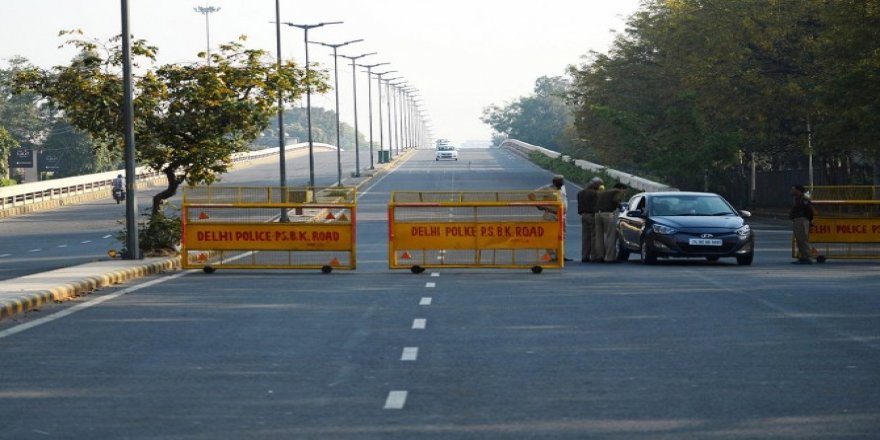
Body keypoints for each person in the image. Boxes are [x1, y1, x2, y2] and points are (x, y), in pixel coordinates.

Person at [538, 175, 571, 262]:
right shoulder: (547, 189)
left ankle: (560, 255)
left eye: (562, 180)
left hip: (562, 215)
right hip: (551, 215)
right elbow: (532, 196)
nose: (562, 182)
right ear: (554, 181)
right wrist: (542, 206)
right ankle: (551, 255)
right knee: (550, 235)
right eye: (560, 181)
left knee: (562, 235)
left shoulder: (562, 189)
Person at [593, 183, 628, 262]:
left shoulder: (606, 192)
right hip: (607, 214)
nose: (625, 193)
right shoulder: (618, 191)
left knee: (599, 236)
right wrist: (621, 207)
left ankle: (599, 256)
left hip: (597, 214)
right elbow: (615, 200)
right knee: (610, 236)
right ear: (621, 188)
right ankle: (610, 258)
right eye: (625, 190)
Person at [576, 177, 602, 262]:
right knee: (594, 236)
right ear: (595, 185)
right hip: (592, 215)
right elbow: (598, 205)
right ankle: (593, 256)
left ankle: (585, 256)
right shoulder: (596, 194)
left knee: (585, 237)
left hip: (583, 215)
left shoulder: (580, 193)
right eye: (599, 184)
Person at [789, 184, 815, 264]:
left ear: (798, 190)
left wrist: (808, 220)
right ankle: (802, 257)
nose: (791, 191)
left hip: (802, 220)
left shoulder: (804, 199)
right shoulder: (798, 199)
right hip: (797, 220)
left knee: (803, 239)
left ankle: (807, 257)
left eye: (793, 189)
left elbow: (810, 211)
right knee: (799, 240)